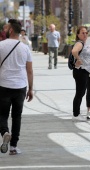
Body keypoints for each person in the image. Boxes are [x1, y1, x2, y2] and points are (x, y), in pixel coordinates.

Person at [0, 19, 33, 155]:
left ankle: (5, 132)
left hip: (3, 85)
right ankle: (13, 147)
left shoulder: (1, 45)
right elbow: (29, 70)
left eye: (6, 28)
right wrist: (30, 89)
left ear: (11, 30)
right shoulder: (25, 47)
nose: (4, 30)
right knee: (17, 116)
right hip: (20, 86)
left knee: (2, 114)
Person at [72, 26, 90, 122]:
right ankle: (76, 114)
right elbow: (74, 51)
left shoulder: (86, 43)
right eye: (82, 33)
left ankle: (76, 113)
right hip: (80, 71)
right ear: (78, 35)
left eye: (86, 33)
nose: (85, 34)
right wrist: (79, 59)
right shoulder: (79, 43)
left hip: (84, 71)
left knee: (81, 92)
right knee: (80, 93)